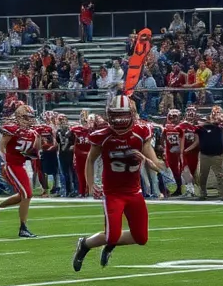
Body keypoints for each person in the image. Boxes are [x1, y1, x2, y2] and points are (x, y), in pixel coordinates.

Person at [72, 95, 164, 271]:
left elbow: (157, 167)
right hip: (113, 192)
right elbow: (90, 160)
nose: (119, 120)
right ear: (109, 115)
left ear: (132, 114)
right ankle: (85, 244)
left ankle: (107, 244)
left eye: (123, 115)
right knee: (112, 235)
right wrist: (91, 184)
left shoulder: (141, 132)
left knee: (141, 238)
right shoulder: (102, 135)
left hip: (134, 192)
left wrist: (144, 158)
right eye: (115, 116)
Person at [0, 104, 38, 238]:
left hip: (21, 165)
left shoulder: (32, 133)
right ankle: (23, 228)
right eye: (27, 118)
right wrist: (4, 163)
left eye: (31, 118)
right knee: (27, 194)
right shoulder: (12, 129)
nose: (30, 121)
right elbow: (1, 147)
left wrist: (36, 145)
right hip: (11, 165)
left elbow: (33, 154)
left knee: (24, 195)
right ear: (19, 117)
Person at [162, 109, 187, 196]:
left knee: (178, 170)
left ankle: (180, 189)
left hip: (177, 151)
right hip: (170, 151)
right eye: (171, 117)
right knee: (173, 170)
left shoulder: (180, 127)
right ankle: (178, 188)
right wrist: (164, 150)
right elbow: (163, 140)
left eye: (174, 117)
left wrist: (180, 152)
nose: (172, 118)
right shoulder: (166, 127)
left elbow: (182, 141)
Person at [69, 111, 94, 198]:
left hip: (90, 155)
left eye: (87, 120)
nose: (86, 122)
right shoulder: (76, 130)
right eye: (84, 120)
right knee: (80, 174)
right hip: (79, 156)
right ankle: (82, 191)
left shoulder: (93, 131)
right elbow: (71, 141)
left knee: (91, 174)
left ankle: (91, 191)